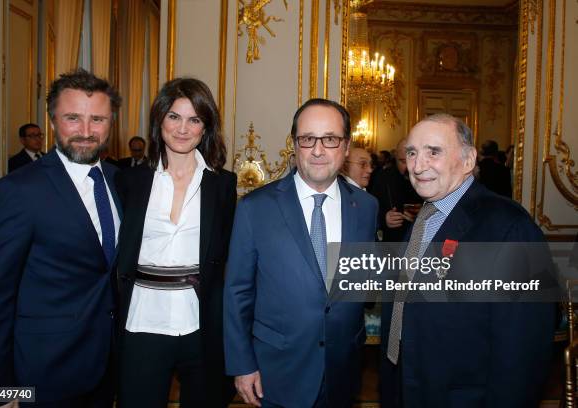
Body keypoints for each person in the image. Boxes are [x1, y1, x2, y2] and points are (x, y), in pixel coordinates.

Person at [379, 114, 556, 407]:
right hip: (409, 386)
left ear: (468, 158)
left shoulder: (509, 227)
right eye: (412, 152)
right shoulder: (422, 219)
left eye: (433, 152)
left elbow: (523, 352)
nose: (418, 165)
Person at [0, 69, 122, 407]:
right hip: (41, 370)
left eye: (97, 119)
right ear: (53, 121)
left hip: (107, 365)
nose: (85, 131)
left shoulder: (119, 181)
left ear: (111, 123)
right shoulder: (18, 190)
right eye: (72, 118)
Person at [224, 98, 378, 408]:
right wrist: (242, 365)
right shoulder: (256, 208)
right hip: (278, 373)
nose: (318, 150)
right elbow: (237, 291)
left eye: (330, 139)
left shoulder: (366, 207)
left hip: (343, 370)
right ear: (294, 145)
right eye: (308, 139)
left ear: (346, 146)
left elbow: (360, 283)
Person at [115, 78, 237, 408]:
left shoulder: (223, 185)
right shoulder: (129, 180)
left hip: (201, 323)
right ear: (159, 120)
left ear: (206, 126)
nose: (183, 129)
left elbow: (227, 257)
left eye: (194, 119)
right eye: (174, 117)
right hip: (142, 321)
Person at [372, 138, 421, 242]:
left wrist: (423, 213)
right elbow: (371, 209)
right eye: (403, 161)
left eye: (412, 160)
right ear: (395, 158)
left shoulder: (428, 178)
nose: (408, 166)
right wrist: (384, 218)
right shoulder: (383, 177)